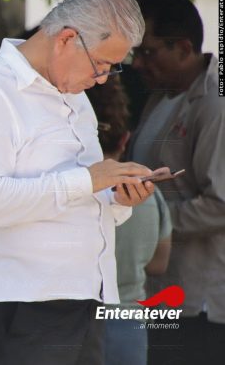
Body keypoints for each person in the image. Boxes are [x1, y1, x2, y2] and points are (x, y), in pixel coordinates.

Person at [0, 0, 161, 365]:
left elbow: (82, 196)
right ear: (66, 39)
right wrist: (91, 179)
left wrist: (118, 198)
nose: (102, 79)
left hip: (89, 297)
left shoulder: (76, 99)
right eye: (101, 65)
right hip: (28, 303)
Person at [127, 0, 225, 365]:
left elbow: (220, 205)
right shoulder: (163, 95)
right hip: (157, 289)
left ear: (183, 48)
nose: (138, 63)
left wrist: (149, 225)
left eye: (148, 52)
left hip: (198, 301)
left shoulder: (215, 103)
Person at [86, 80, 172, 365]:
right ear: (125, 140)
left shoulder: (63, 192)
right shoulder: (148, 192)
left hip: (73, 321)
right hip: (128, 322)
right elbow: (159, 263)